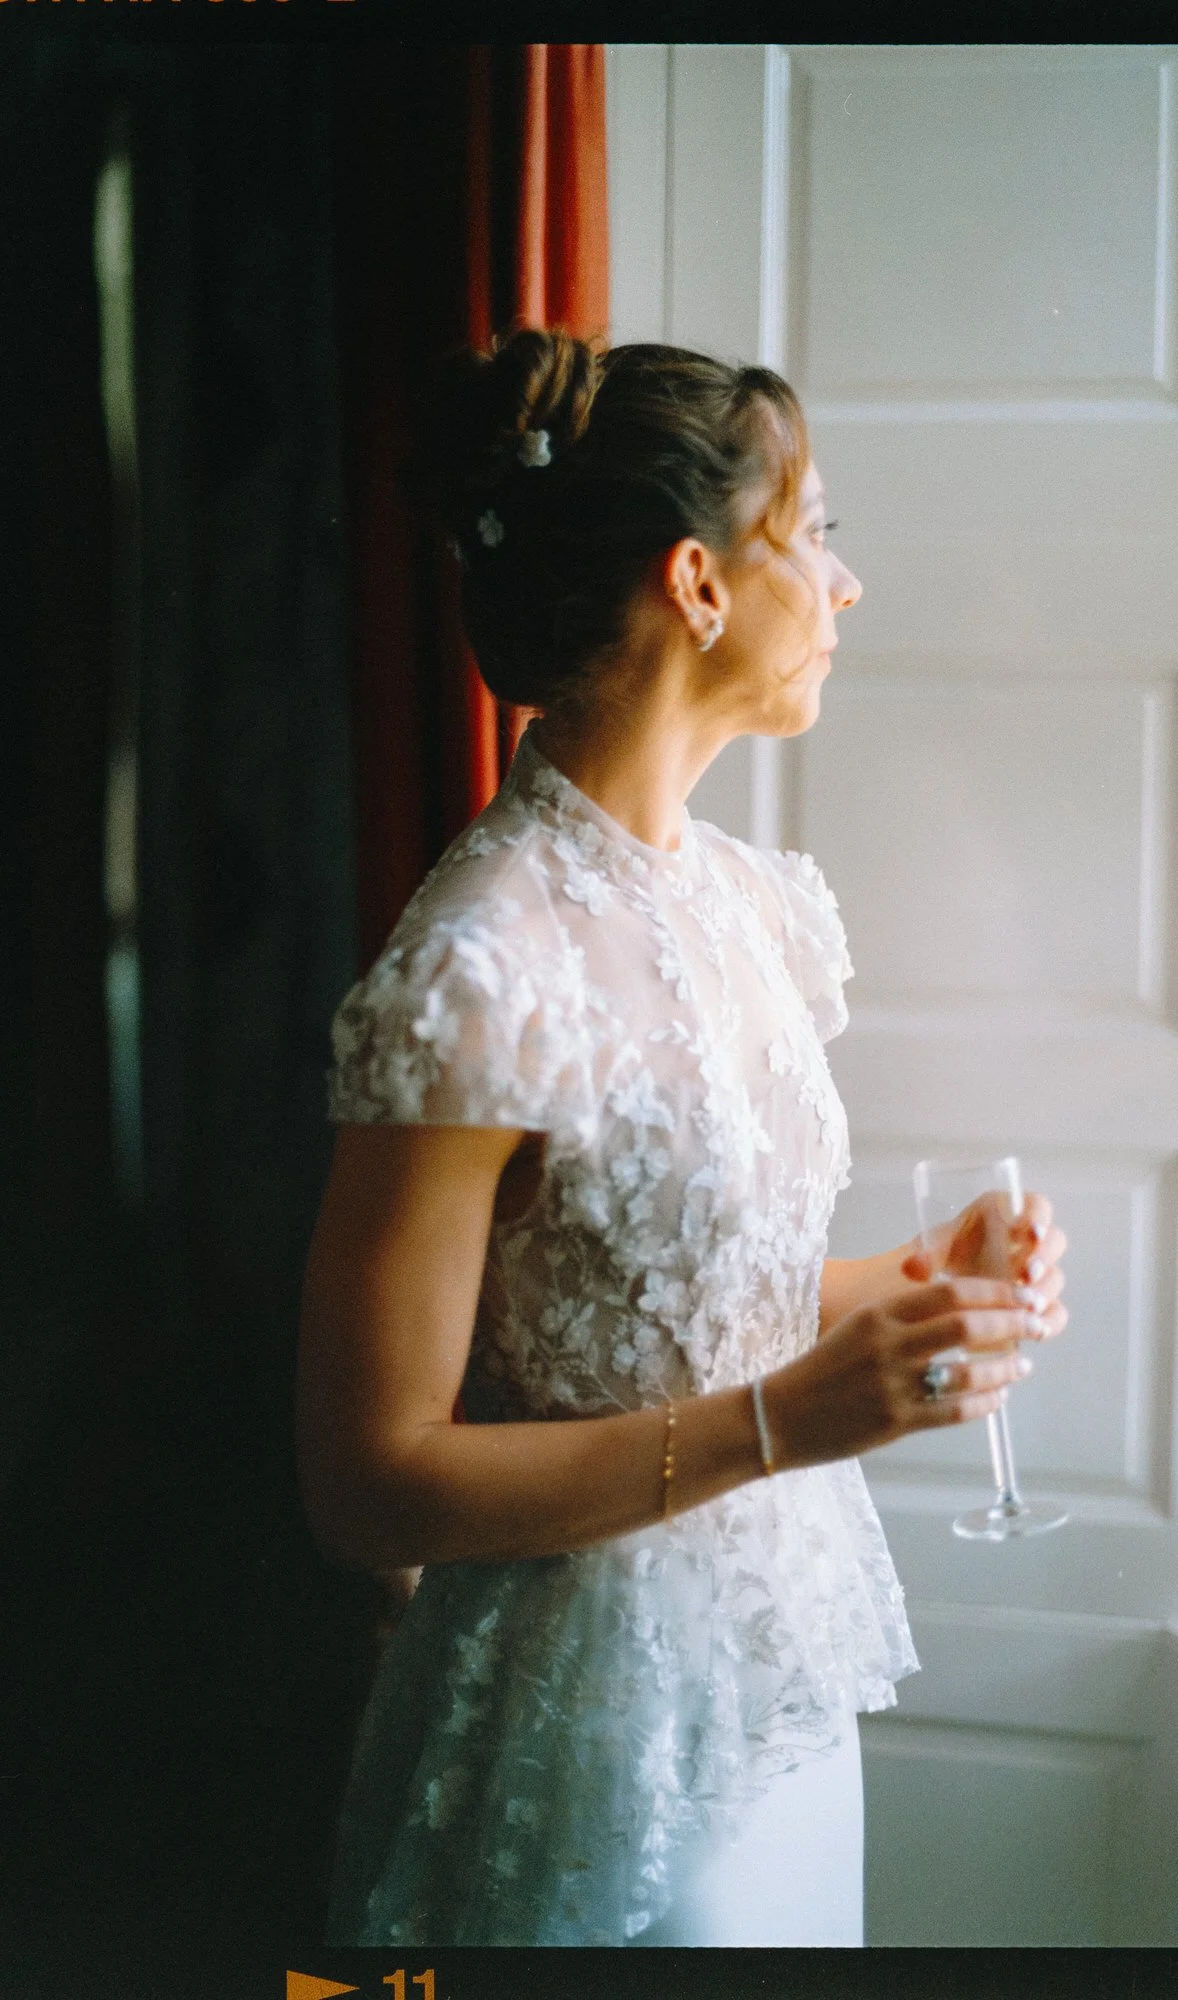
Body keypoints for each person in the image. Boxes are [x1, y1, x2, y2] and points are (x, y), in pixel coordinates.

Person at [296, 329, 1068, 1948]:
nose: (845, 589)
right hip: (571, 1728)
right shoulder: (476, 970)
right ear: (700, 584)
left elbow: (692, 1299)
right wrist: (785, 1423)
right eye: (818, 535)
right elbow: (366, 1486)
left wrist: (921, 1288)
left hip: (776, 1688)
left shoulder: (749, 905)